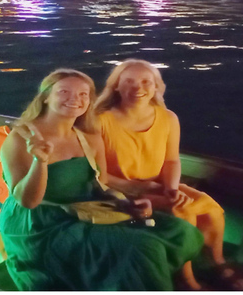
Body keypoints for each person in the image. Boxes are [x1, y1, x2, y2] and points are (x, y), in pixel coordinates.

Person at [0, 68, 204, 291]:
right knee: (143, 247)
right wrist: (40, 161)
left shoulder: (89, 138)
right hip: (40, 224)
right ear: (46, 97)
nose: (74, 99)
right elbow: (27, 202)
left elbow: (102, 184)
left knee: (179, 230)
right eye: (64, 92)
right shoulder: (21, 139)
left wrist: (127, 203)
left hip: (85, 212)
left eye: (83, 94)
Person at [95, 59, 242, 290]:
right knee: (181, 211)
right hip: (121, 190)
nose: (138, 88)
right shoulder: (100, 121)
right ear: (116, 86)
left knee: (209, 207)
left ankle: (217, 261)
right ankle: (186, 277)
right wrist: (139, 189)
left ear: (156, 87)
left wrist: (171, 188)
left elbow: (172, 160)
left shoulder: (168, 118)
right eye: (129, 82)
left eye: (146, 81)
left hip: (158, 185)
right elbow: (98, 175)